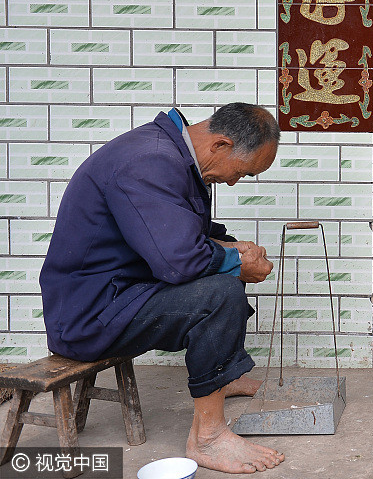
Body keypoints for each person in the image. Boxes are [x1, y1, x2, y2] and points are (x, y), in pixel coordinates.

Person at [40, 102, 286, 473]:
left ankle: (222, 378)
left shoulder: (169, 157)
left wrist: (236, 248)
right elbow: (178, 262)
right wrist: (237, 262)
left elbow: (186, 234)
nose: (235, 182)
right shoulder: (147, 163)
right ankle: (208, 438)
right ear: (220, 145)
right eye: (243, 172)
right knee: (221, 293)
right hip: (89, 317)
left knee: (224, 272)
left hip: (123, 295)